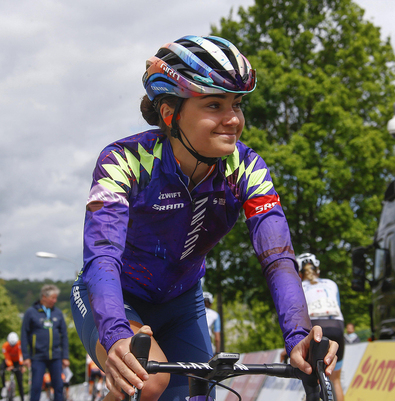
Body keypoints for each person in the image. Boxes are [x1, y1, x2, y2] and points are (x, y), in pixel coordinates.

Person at [71, 35, 338, 401]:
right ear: (170, 113)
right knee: (146, 382)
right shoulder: (124, 161)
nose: (233, 119)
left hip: (183, 302)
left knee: (200, 395)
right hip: (116, 294)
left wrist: (298, 337)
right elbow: (103, 253)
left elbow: (277, 257)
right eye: (214, 104)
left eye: (238, 104)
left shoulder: (246, 167)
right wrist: (116, 333)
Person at [297, 253, 345, 401]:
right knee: (335, 379)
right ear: (318, 270)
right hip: (336, 326)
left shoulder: (299, 286)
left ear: (299, 273)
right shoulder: (331, 284)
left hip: (315, 327)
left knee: (312, 379)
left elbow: (298, 314)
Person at [21, 284, 70, 401]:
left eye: (56, 297)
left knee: (58, 386)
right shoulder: (31, 312)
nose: (55, 300)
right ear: (44, 297)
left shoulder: (58, 313)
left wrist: (65, 356)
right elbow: (24, 335)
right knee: (36, 386)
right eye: (53, 298)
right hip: (38, 356)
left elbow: (64, 336)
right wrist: (26, 356)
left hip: (56, 356)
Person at [0, 332, 25, 400]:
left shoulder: (20, 344)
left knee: (20, 381)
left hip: (18, 362)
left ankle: (22, 398)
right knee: (1, 369)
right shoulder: (5, 346)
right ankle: (4, 387)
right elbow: (7, 357)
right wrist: (10, 365)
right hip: (9, 361)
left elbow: (21, 356)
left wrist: (21, 365)